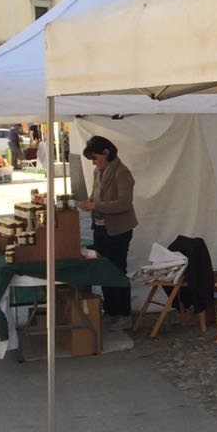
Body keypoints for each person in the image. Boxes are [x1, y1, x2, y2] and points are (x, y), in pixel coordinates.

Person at [79, 135, 137, 327]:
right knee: (104, 269)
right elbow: (95, 195)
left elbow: (124, 203)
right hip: (100, 228)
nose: (94, 163)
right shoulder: (98, 171)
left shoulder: (122, 173)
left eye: (95, 158)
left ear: (106, 153)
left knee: (117, 270)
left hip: (118, 230)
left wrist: (96, 205)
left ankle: (124, 313)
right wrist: (88, 202)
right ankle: (111, 310)